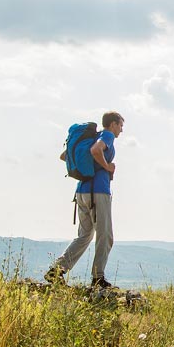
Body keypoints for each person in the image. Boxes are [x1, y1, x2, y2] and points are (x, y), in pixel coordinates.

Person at [46, 111, 123, 289]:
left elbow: (65, 156)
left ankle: (56, 270)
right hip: (99, 191)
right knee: (105, 235)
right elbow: (96, 150)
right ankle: (98, 278)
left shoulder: (89, 137)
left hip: (81, 191)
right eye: (120, 125)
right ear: (112, 124)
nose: (121, 130)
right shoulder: (107, 135)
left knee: (85, 235)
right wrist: (107, 167)